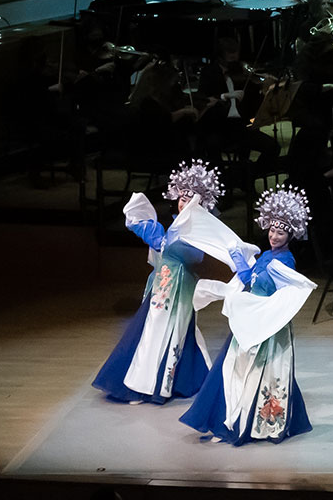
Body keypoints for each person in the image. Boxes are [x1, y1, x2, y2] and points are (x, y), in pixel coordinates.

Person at [93, 160, 243, 404]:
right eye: (182, 199)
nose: (184, 204)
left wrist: (163, 243)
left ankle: (150, 387)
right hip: (163, 286)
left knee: (168, 334)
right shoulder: (176, 224)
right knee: (150, 332)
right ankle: (142, 385)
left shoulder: (199, 229)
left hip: (179, 287)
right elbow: (163, 250)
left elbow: (198, 254)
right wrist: (156, 238)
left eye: (191, 200)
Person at [180, 185, 319, 445]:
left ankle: (244, 424)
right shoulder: (267, 255)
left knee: (261, 373)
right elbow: (252, 281)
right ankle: (224, 420)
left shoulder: (286, 261)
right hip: (251, 317)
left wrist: (245, 269)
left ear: (290, 235)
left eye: (280, 233)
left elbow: (266, 286)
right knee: (232, 368)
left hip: (266, 323)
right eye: (272, 230)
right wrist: (243, 267)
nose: (274, 236)